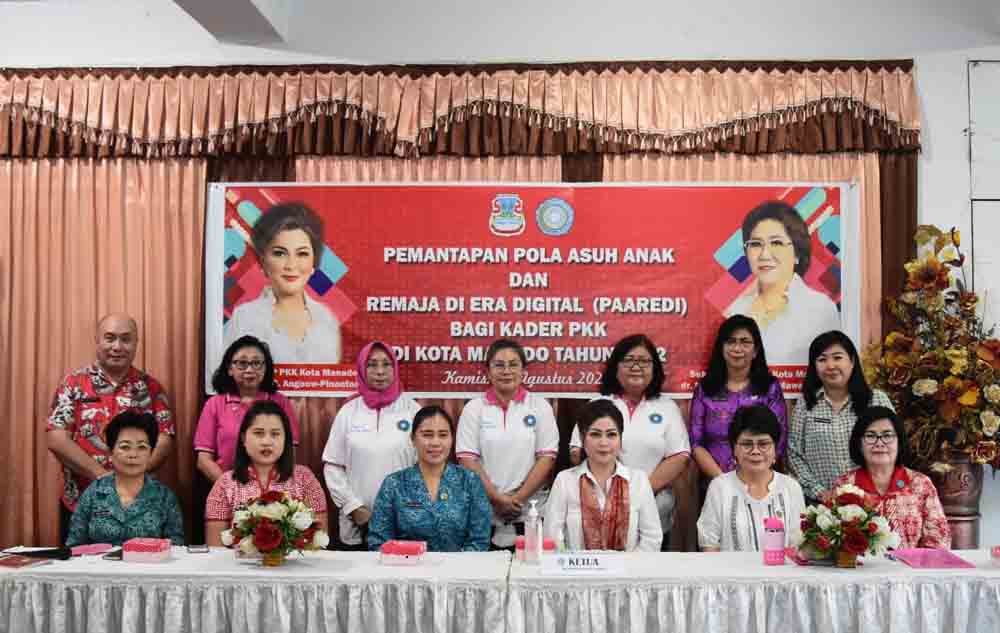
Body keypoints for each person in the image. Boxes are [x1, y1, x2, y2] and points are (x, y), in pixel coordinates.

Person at [47, 313, 175, 544]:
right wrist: (102, 476)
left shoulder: (151, 388)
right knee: (81, 565)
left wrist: (132, 475)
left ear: (136, 343)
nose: (117, 346)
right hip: (81, 501)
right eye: (110, 338)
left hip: (140, 507)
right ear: (97, 340)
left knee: (140, 564)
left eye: (126, 339)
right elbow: (56, 438)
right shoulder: (73, 384)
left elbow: (165, 439)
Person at [569, 334, 690, 548]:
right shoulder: (598, 403)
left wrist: (638, 492)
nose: (636, 367)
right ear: (615, 367)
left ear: (655, 368)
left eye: (644, 361)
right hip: (599, 508)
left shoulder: (667, 407)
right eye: (628, 360)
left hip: (655, 506)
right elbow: (577, 450)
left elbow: (679, 455)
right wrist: (613, 493)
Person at [456, 339, 558, 548]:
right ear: (488, 371)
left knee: (530, 567)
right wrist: (497, 499)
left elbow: (546, 458)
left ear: (523, 371)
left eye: (513, 364)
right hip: (485, 513)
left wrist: (517, 499)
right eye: (499, 365)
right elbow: (467, 460)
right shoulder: (474, 408)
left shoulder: (540, 407)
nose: (506, 371)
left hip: (530, 513)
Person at [322, 341, 420, 549]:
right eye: (372, 364)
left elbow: (425, 468)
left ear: (395, 368)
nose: (380, 371)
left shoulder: (412, 410)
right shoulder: (349, 411)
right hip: (356, 524)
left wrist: (406, 509)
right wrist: (353, 507)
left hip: (402, 522)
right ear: (361, 369)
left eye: (386, 364)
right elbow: (333, 465)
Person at [224, 202, 341, 364]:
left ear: (314, 263)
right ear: (264, 262)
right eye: (280, 253)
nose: (291, 265)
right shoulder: (244, 319)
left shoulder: (327, 320)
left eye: (302, 254)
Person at [725, 200, 841, 364]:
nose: (764, 254)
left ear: (797, 253)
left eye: (776, 243)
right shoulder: (735, 310)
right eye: (756, 244)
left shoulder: (820, 309)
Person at [788, 330, 894, 504]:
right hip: (821, 505)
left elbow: (894, 447)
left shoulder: (876, 400)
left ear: (852, 361)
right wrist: (820, 492)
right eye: (822, 359)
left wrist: (873, 491)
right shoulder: (806, 404)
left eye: (837, 357)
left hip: (873, 502)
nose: (830, 366)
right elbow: (794, 453)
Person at [368, 406, 492, 552]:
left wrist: (453, 565)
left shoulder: (469, 481)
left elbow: (479, 540)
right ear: (413, 439)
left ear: (452, 439)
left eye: (443, 435)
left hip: (460, 566)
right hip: (404, 565)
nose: (435, 442)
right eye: (427, 435)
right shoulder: (394, 484)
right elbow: (379, 541)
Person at [204, 400, 327, 545]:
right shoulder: (225, 484)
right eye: (258, 433)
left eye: (275, 434)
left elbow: (318, 543)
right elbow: (216, 549)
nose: (267, 442)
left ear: (286, 439)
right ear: (243, 438)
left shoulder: (305, 479)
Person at [545, 400, 662, 552]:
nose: (603, 443)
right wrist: (576, 564)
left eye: (611, 435)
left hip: (630, 566)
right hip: (575, 567)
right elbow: (551, 538)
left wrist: (627, 565)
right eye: (595, 434)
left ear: (620, 438)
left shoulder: (638, 480)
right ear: (582, 438)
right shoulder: (565, 481)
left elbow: (652, 538)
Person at [833, 406, 950, 549]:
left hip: (912, 563)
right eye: (870, 436)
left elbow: (938, 538)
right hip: (861, 563)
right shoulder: (845, 485)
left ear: (899, 442)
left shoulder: (920, 484)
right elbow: (834, 538)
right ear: (859, 443)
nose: (879, 443)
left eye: (887, 435)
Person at [66, 411, 185, 546]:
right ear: (111, 453)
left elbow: (176, 548)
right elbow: (74, 546)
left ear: (150, 453)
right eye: (125, 447)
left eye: (142, 447)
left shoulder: (164, 497)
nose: (133, 454)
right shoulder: (93, 493)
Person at [690, 315, 786, 480]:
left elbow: (780, 438)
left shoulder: (769, 388)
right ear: (721, 348)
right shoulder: (706, 389)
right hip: (715, 481)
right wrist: (724, 482)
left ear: (755, 351)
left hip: (760, 480)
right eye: (731, 341)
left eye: (745, 342)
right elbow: (696, 443)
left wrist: (752, 477)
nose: (737, 348)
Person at [697, 405, 805, 552]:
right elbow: (709, 545)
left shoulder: (790, 487)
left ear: (775, 448)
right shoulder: (720, 487)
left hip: (782, 567)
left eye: (763, 444)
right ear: (734, 449)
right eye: (747, 444)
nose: (755, 451)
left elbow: (798, 545)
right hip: (728, 567)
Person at [194, 336, 300, 482]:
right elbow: (203, 460)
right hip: (226, 486)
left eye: (256, 363)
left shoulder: (280, 402)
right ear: (230, 369)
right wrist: (231, 488)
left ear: (265, 368)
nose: (249, 369)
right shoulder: (215, 404)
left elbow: (290, 454)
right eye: (242, 363)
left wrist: (269, 488)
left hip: (272, 488)